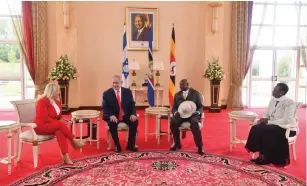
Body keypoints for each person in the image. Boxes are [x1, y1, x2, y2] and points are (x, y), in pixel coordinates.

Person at [245, 83, 297, 166]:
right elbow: (267, 113)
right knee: (256, 128)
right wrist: (264, 118)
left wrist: (269, 122)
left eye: (275, 91)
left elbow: (286, 120)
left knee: (262, 130)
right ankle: (262, 157)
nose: (273, 92)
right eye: (273, 90)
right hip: (272, 125)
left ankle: (263, 157)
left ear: (282, 92)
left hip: (286, 127)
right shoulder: (273, 100)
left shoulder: (289, 102)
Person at [34, 83, 85, 165]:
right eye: (57, 91)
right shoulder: (42, 101)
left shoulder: (57, 102)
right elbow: (44, 118)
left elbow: (58, 116)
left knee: (59, 132)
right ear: (52, 91)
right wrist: (58, 122)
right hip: (41, 126)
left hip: (52, 125)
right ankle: (74, 140)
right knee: (60, 126)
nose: (58, 93)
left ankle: (66, 156)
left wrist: (61, 119)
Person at [102, 75, 138, 153]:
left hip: (126, 115)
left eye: (117, 83)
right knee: (112, 123)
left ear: (121, 83)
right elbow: (105, 107)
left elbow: (132, 104)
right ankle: (117, 145)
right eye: (113, 83)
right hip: (114, 115)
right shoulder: (106, 93)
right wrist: (111, 115)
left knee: (134, 121)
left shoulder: (127, 92)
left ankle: (130, 145)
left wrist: (133, 114)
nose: (115, 85)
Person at [170, 79, 204, 155]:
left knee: (195, 123)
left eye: (182, 85)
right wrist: (175, 113)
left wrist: (197, 112)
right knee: (173, 122)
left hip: (193, 115)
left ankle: (200, 146)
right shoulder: (177, 95)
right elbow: (174, 107)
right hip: (181, 115)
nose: (180, 86)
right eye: (180, 85)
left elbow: (200, 107)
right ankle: (177, 144)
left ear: (187, 84)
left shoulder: (195, 93)